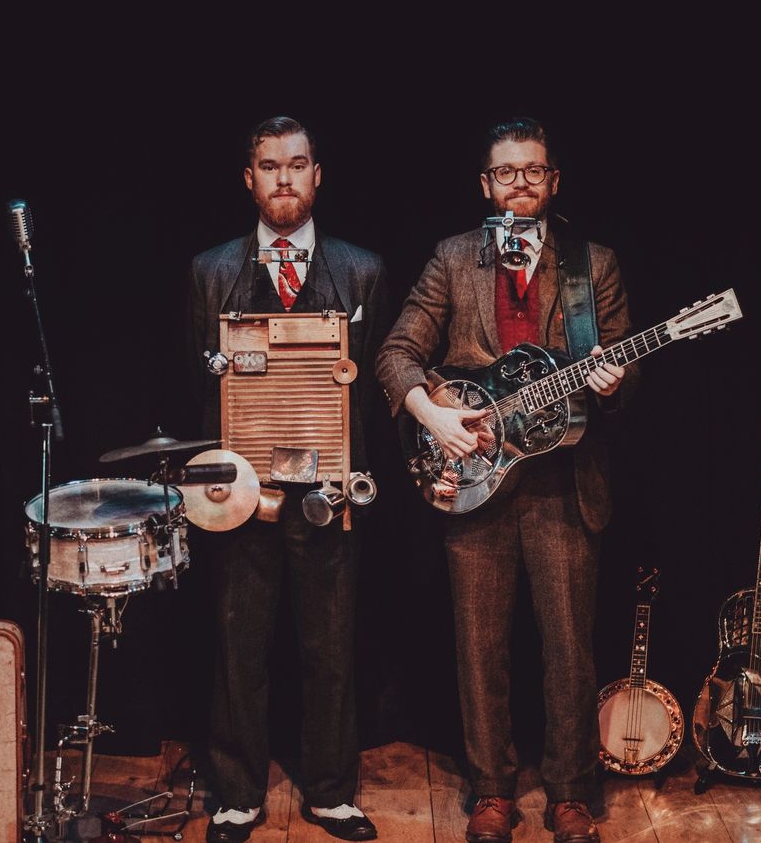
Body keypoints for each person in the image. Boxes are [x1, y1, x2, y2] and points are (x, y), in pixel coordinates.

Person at [375, 118, 637, 843]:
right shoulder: (453, 258)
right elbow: (396, 352)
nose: (519, 182)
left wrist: (613, 381)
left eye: (533, 170)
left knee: (568, 649)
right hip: (477, 473)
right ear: (484, 185)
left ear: (555, 182)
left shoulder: (593, 264)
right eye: (505, 172)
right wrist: (433, 415)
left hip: (565, 482)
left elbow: (624, 366)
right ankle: (491, 788)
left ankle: (570, 792)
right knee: (479, 646)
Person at [186, 116, 389, 843]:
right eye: (269, 166)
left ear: (317, 175)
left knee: (330, 645)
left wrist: (341, 465)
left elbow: (368, 395)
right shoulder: (211, 271)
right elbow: (198, 391)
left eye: (296, 165)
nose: (283, 179)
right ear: (249, 179)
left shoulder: (361, 270)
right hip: (242, 486)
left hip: (329, 489)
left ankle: (331, 791)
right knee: (239, 643)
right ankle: (237, 792)